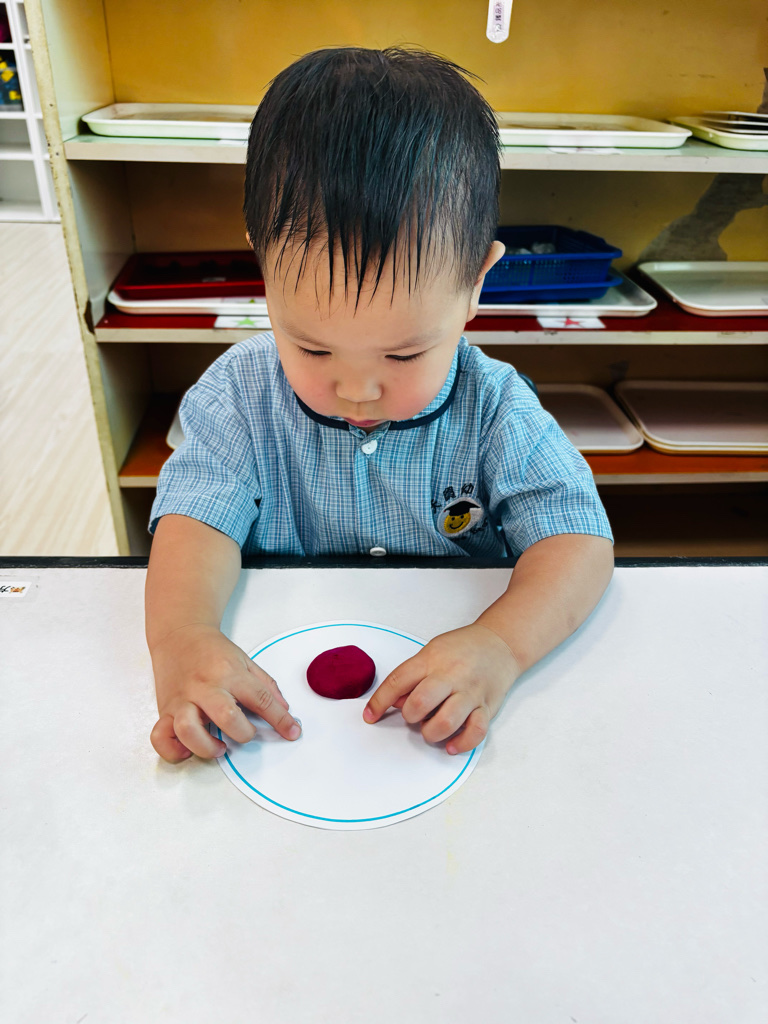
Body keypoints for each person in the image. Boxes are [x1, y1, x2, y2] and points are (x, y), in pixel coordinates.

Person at [145, 46, 614, 765]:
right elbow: (194, 525)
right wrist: (183, 639)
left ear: (476, 285)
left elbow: (576, 541)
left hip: (434, 701)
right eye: (313, 348)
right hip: (286, 691)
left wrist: (500, 645)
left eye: (402, 356)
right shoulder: (239, 394)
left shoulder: (494, 407)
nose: (357, 390)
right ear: (262, 269)